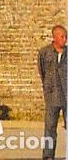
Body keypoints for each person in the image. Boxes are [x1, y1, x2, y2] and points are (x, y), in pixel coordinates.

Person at [38, 25, 67, 160]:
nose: (65, 39)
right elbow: (42, 71)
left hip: (67, 94)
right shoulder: (45, 53)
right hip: (52, 96)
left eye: (66, 36)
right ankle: (48, 156)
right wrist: (48, 88)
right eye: (62, 36)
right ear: (54, 37)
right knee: (50, 128)